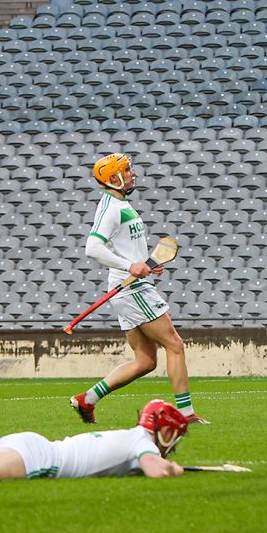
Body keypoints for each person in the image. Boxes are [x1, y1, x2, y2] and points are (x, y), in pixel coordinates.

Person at [70, 152, 207, 426]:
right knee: (175, 345)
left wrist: (146, 264)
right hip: (133, 290)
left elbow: (127, 249)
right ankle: (186, 415)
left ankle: (87, 400)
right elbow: (93, 248)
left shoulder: (121, 203)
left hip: (131, 286)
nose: (132, 174)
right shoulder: (112, 208)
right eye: (128, 171)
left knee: (145, 361)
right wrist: (131, 266)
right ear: (115, 178)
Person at [0, 352, 188, 480]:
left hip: (33, 447)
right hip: (40, 460)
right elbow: (155, 470)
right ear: (165, 431)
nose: (173, 446)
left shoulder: (133, 439)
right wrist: (174, 470)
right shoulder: (143, 444)